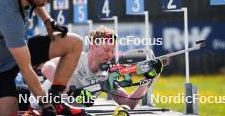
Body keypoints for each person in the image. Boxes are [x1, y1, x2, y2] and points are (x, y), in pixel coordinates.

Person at [0, 0, 90, 116]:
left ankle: (56, 100)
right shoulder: (8, 15)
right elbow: (26, 69)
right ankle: (50, 103)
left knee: (74, 42)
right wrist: (45, 106)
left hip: (16, 50)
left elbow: (36, 1)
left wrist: (48, 21)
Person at [36, 26, 164, 110]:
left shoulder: (107, 74)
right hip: (38, 107)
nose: (110, 55)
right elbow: (47, 68)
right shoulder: (76, 58)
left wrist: (146, 82)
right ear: (93, 46)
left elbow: (128, 104)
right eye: (106, 50)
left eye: (113, 51)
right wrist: (72, 91)